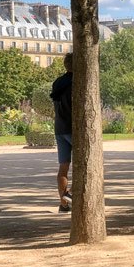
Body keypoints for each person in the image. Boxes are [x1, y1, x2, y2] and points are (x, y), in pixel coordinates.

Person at [50, 52, 73, 213]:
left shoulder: (58, 82)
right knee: (86, 164)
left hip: (60, 127)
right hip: (73, 128)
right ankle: (70, 194)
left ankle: (64, 204)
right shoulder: (77, 82)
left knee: (63, 167)